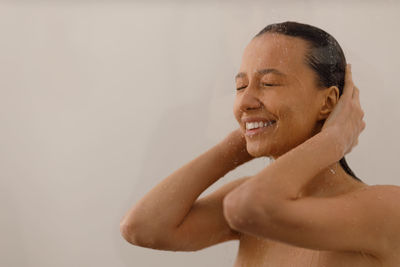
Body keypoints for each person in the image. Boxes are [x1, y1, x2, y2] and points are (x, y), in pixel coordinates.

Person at [120, 21, 400, 266]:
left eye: (268, 83)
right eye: (241, 86)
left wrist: (334, 140)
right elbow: (142, 228)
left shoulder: (385, 208)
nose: (245, 101)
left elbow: (250, 207)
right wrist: (236, 145)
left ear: (328, 103)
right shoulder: (249, 200)